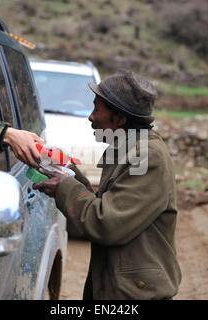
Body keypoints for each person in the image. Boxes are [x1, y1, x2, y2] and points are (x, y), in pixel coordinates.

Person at [33, 70, 182, 299]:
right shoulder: (124, 147)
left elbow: (106, 222)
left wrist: (65, 187)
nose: (91, 117)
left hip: (134, 294)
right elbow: (105, 202)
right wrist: (67, 171)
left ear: (120, 119)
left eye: (96, 108)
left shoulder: (147, 157)